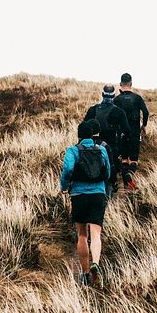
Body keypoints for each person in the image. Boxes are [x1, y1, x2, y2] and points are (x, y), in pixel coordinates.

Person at [60, 120, 111, 287]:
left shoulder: (72, 151)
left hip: (78, 195)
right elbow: (108, 171)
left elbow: (67, 170)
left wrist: (64, 186)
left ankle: (86, 273)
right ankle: (95, 262)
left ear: (79, 135)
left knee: (82, 234)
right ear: (93, 135)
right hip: (98, 193)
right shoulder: (101, 149)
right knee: (96, 233)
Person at [84, 84, 132, 196]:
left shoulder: (92, 110)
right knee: (112, 167)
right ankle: (113, 184)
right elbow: (127, 130)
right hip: (111, 146)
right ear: (114, 96)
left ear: (102, 94)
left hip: (92, 145)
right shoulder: (119, 112)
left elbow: (84, 127)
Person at [113, 73, 150, 190]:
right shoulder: (137, 98)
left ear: (120, 84)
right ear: (131, 84)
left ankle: (125, 185)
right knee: (133, 160)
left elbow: (112, 116)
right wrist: (143, 125)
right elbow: (146, 112)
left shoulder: (117, 99)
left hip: (121, 133)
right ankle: (130, 176)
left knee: (124, 159)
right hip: (134, 132)